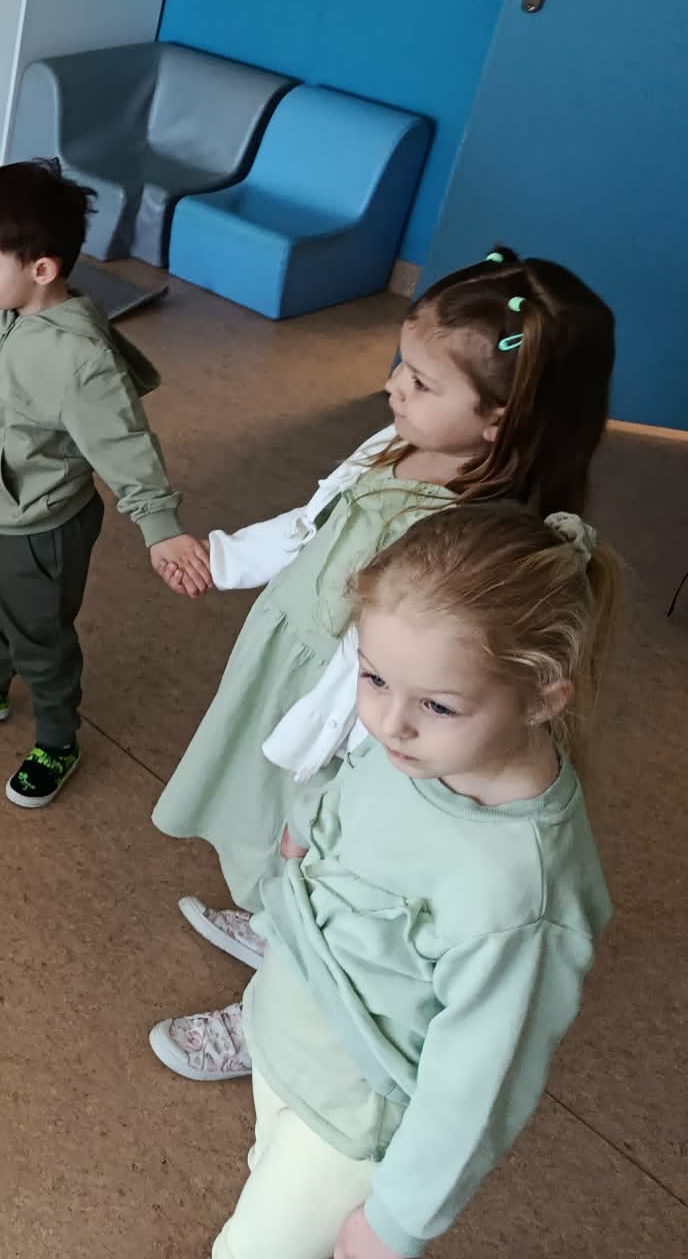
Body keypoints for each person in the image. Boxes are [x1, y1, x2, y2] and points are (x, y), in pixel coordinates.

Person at [151, 249, 615, 1041]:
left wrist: (356, 735)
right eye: (403, 364)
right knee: (273, 820)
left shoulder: (463, 534)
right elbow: (313, 522)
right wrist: (223, 559)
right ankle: (273, 922)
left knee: (327, 862)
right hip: (298, 670)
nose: (395, 386)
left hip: (357, 721)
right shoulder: (393, 443)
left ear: (499, 418)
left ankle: (277, 1019)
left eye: (423, 383)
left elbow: (409, 672)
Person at [160, 506, 615, 1259]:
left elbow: (481, 1086)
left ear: (540, 698)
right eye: (372, 677)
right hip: (287, 1030)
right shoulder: (425, 748)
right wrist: (303, 830)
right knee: (266, 1170)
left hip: (353, 1116)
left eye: (436, 704)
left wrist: (397, 1220)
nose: (387, 721)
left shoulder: (520, 898)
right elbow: (348, 783)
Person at [0, 160, 210, 808]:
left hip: (42, 528)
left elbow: (127, 447)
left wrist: (161, 530)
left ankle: (58, 739)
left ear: (42, 270)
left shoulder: (80, 360)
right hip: (0, 511)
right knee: (1, 606)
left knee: (42, 637)